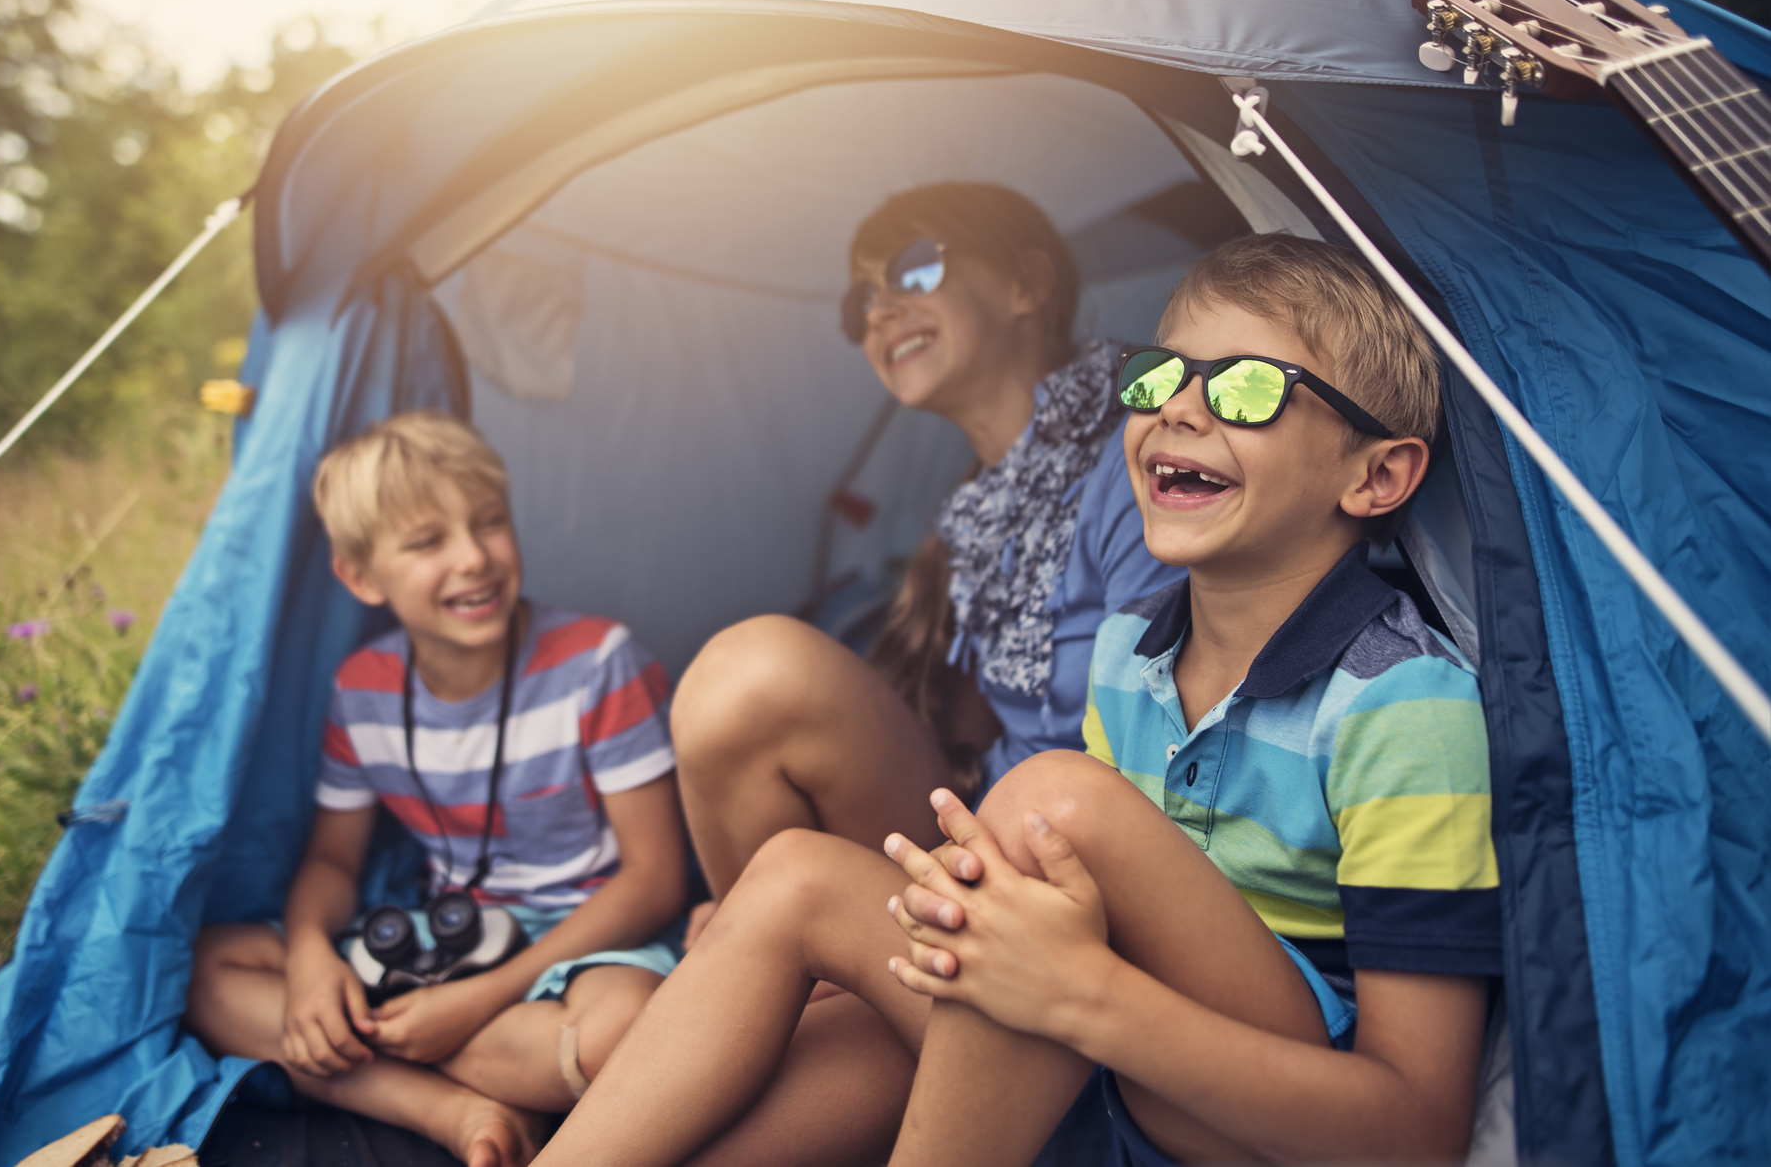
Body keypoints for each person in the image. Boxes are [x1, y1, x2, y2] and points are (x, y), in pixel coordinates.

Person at [533, 233, 1497, 1166]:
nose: (1178, 411)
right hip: (1080, 1063)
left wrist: (1083, 996)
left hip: (1232, 1106)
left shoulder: (1403, 706)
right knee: (792, 879)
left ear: (1376, 475)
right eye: (1158, 377)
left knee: (1051, 802)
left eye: (1246, 388)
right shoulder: (1129, 651)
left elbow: (1413, 1134)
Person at [658, 182, 1177, 1158]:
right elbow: (981, 731)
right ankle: (782, 972)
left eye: (915, 269)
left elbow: (1175, 742)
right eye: (861, 301)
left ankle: (786, 982)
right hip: (981, 845)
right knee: (747, 686)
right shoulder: (970, 519)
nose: (881, 310)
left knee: (753, 676)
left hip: (1096, 900)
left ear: (1027, 284)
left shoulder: (1144, 458)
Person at [187, 412, 689, 1167]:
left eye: (488, 523)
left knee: (630, 1032)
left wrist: (477, 1003)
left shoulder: (598, 663)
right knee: (208, 968)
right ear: (360, 576)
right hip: (443, 942)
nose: (472, 558)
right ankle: (457, 1112)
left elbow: (656, 881)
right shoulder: (363, 692)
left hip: (583, 943)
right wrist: (314, 962)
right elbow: (331, 862)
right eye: (427, 542)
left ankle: (390, 1050)